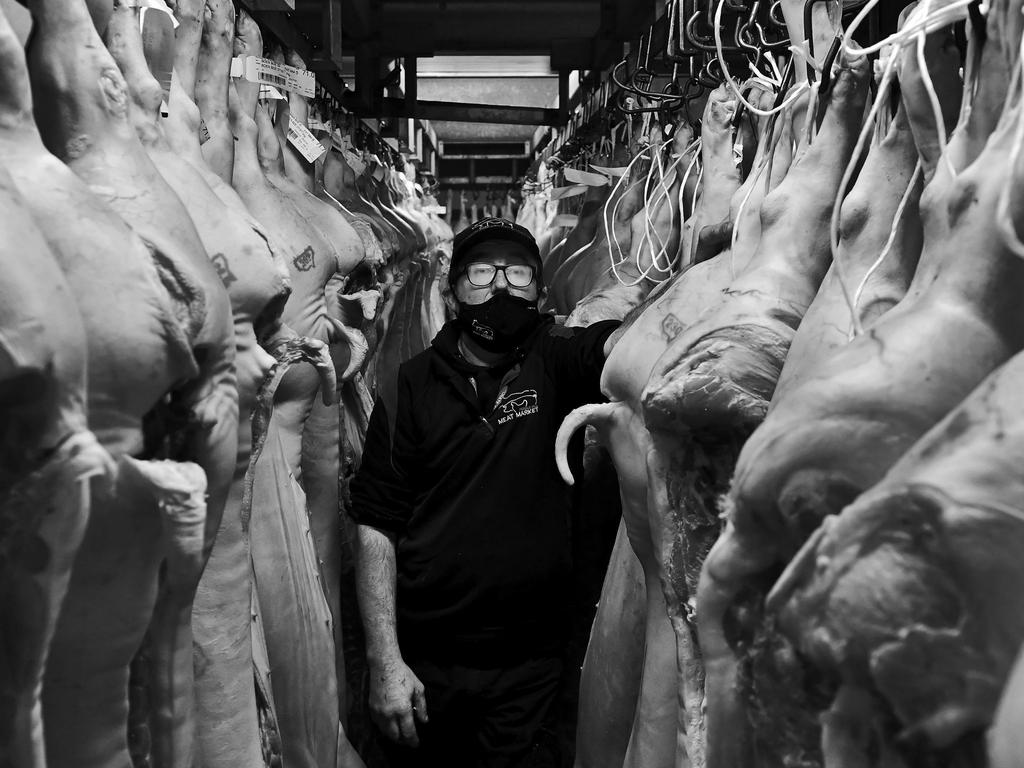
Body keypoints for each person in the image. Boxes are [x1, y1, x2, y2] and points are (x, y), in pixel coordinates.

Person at [349, 216, 622, 767]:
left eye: (517, 272)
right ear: (452, 294)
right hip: (427, 660)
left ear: (541, 292)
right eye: (481, 271)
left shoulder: (556, 357)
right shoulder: (411, 385)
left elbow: (612, 346)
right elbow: (376, 523)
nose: (500, 285)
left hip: (530, 662)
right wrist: (385, 660)